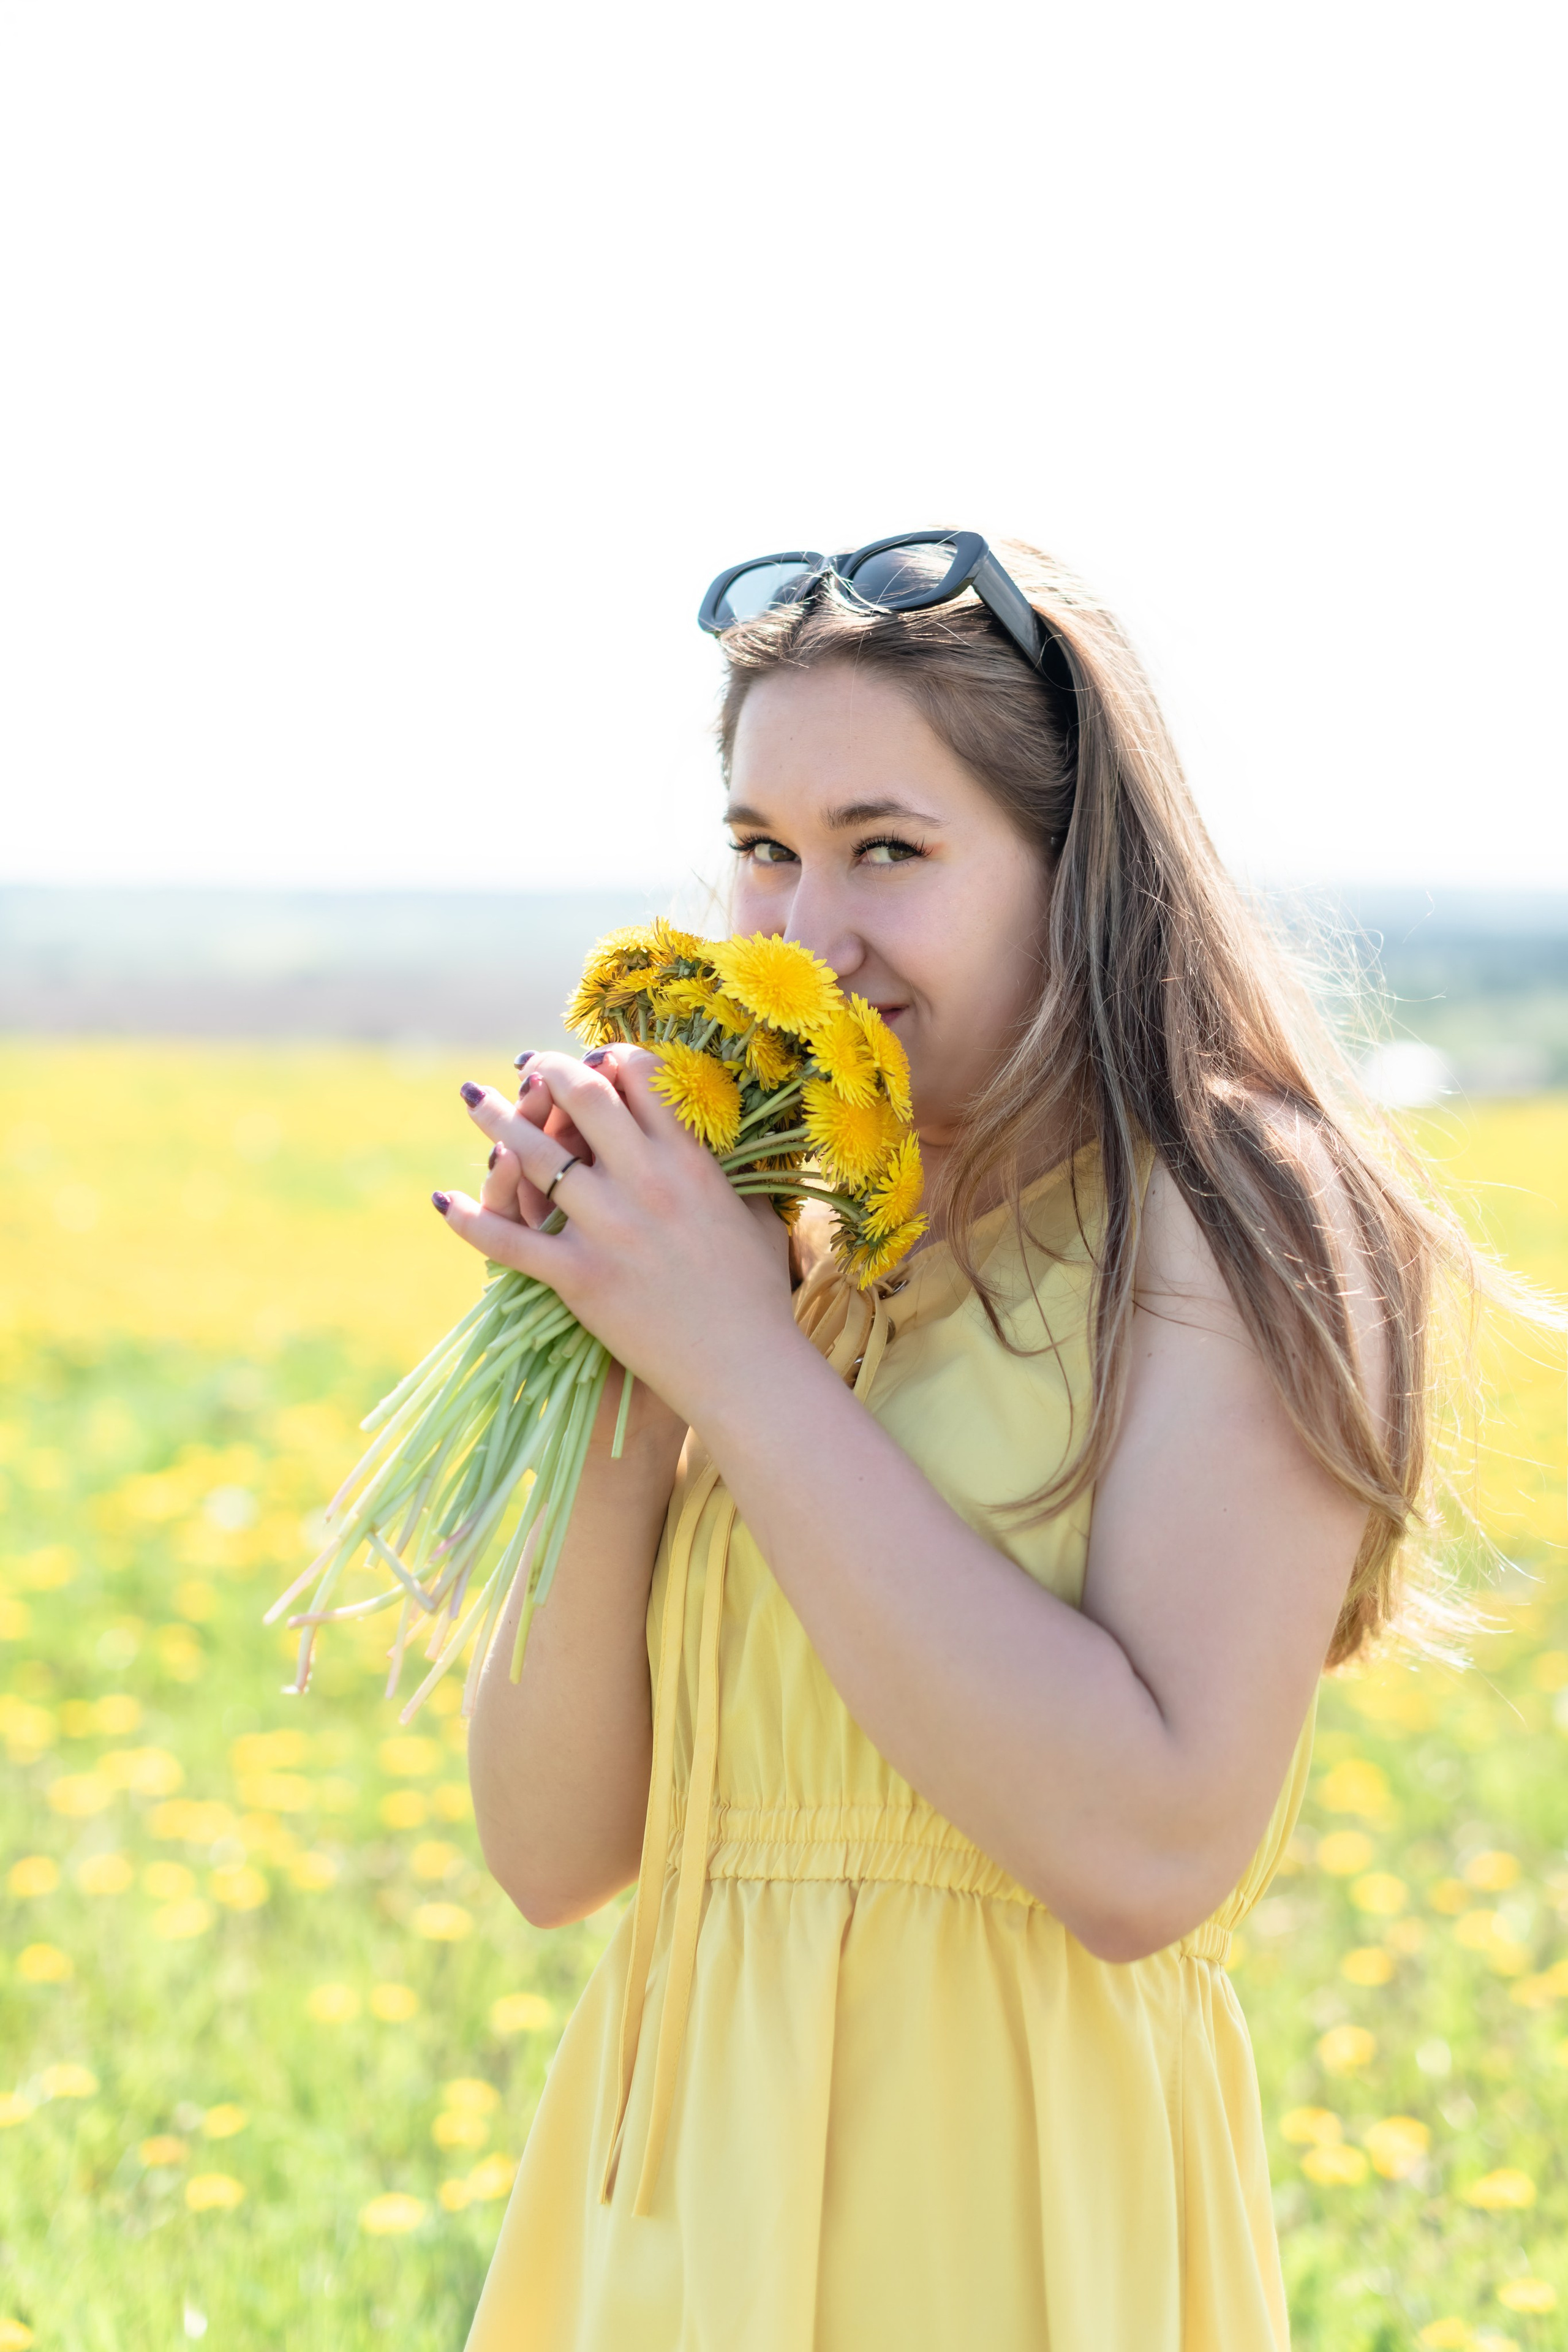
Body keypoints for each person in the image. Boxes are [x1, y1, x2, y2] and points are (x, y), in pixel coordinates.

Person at [435, 537, 1468, 2350]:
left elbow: (1148, 1856)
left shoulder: (1234, 1218)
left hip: (999, 2229)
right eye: (763, 850)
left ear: (1076, 878)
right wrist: (614, 1349)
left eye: (888, 850)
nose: (803, 934)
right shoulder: (808, 1251)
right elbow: (551, 1849)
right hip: (673, 2230)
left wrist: (745, 1373)